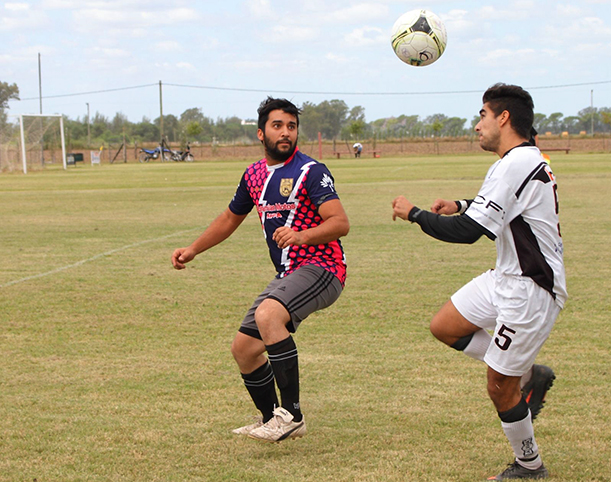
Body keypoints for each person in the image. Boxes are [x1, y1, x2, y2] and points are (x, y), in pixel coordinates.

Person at [391, 83, 566, 480]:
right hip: (506, 277)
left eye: (482, 115)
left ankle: (529, 465)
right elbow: (500, 209)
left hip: (530, 289)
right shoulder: (519, 159)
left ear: (503, 117)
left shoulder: (515, 163)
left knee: (498, 387)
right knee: (445, 326)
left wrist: (414, 213)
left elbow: (468, 233)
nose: (477, 125)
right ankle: (526, 374)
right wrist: (462, 205)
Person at [171, 97, 349, 443]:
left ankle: (292, 415)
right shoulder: (253, 174)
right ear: (260, 133)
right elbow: (228, 218)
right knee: (244, 348)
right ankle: (270, 419)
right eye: (278, 126)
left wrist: (301, 236)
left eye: (292, 127)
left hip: (323, 267)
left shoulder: (311, 171)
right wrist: (193, 249)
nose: (286, 133)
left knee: (269, 315)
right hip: (289, 273)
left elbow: (340, 223)